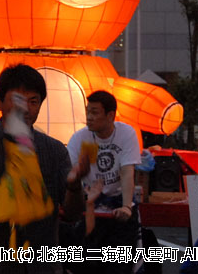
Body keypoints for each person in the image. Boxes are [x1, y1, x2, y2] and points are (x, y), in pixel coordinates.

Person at [0, 63, 88, 273]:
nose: (26, 108)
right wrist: (0, 201)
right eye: (18, 100)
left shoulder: (54, 150)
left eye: (33, 101)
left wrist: (74, 186)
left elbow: (73, 215)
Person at [66, 91, 141, 274]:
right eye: (87, 112)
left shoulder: (126, 133)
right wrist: (76, 175)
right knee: (84, 264)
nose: (89, 118)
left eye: (94, 112)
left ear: (110, 115)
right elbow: (71, 175)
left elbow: (126, 171)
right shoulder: (81, 138)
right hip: (91, 207)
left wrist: (126, 207)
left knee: (119, 267)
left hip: (118, 206)